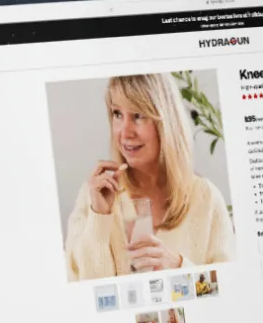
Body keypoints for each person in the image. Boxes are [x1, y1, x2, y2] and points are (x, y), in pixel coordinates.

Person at [64, 73, 235, 282]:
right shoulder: (92, 197)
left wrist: (179, 267)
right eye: (117, 114)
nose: (125, 132)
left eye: (138, 115)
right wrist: (99, 218)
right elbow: (87, 300)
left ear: (166, 122)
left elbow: (230, 292)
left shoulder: (207, 200)